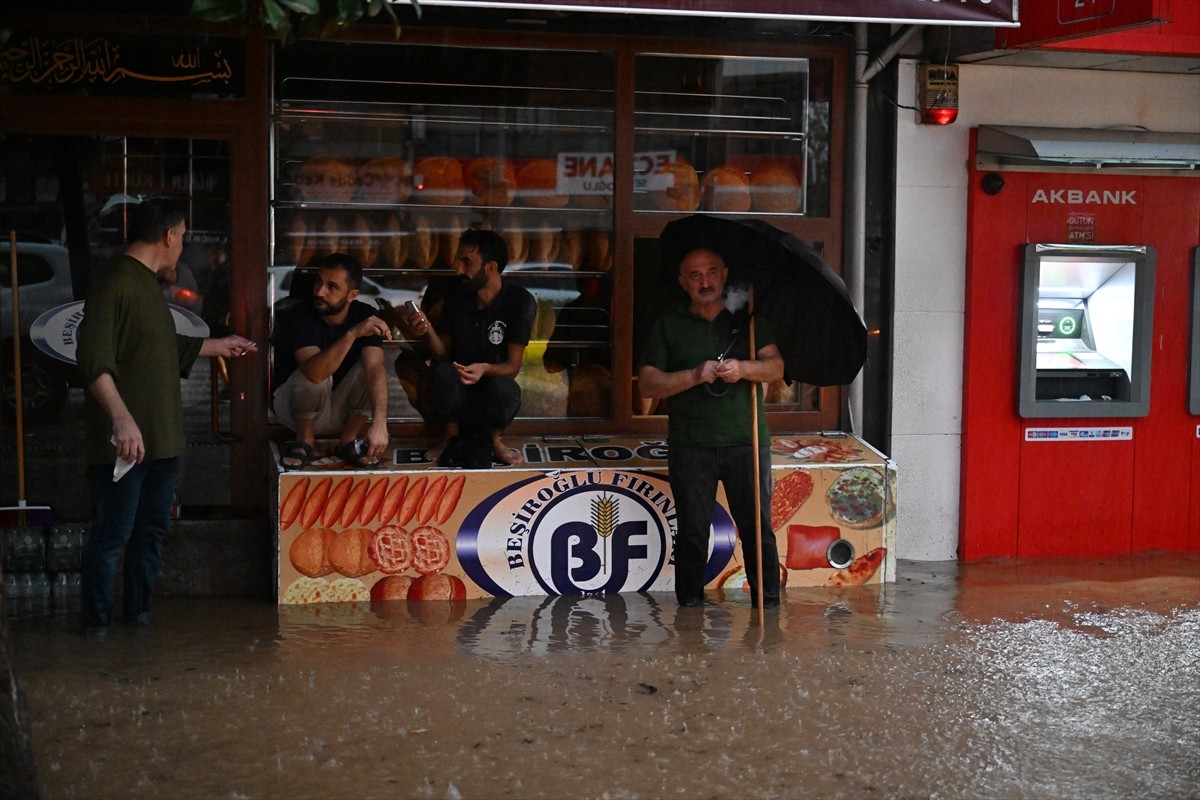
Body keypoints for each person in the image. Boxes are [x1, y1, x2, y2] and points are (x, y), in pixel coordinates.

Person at [76, 197, 257, 635]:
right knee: (112, 535)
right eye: (183, 236)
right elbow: (92, 360)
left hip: (162, 439)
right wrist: (121, 419)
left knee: (150, 533)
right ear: (170, 235)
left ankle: (138, 619)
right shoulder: (114, 280)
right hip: (127, 442)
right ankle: (95, 629)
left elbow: (161, 346)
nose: (182, 245)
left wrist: (219, 345)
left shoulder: (148, 283)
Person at [637, 247, 783, 609]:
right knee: (692, 532)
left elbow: (776, 367)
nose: (705, 281)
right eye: (695, 275)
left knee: (757, 530)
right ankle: (689, 614)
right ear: (683, 282)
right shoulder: (668, 322)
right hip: (691, 443)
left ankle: (768, 608)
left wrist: (744, 369)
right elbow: (648, 384)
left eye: (712, 272)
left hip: (746, 441)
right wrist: (693, 375)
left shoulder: (748, 319)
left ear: (725, 274)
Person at [404, 228, 535, 468]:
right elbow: (442, 353)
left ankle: (494, 440)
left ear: (490, 267)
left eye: (467, 262)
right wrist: (427, 331)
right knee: (441, 371)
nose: (458, 269)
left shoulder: (520, 301)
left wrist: (484, 369)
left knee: (506, 388)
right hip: (456, 387)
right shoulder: (456, 293)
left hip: (491, 387)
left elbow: (513, 366)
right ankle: (451, 437)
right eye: (459, 261)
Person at [270, 252, 392, 469]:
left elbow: (375, 368)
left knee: (371, 370)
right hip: (293, 410)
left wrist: (379, 423)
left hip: (340, 410)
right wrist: (352, 334)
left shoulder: (366, 314)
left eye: (332, 287)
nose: (319, 291)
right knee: (316, 376)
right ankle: (304, 440)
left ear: (352, 295)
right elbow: (314, 373)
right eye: (319, 281)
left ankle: (348, 440)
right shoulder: (299, 315)